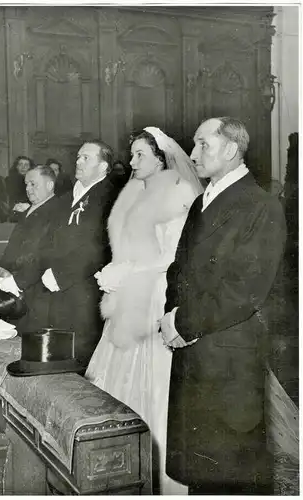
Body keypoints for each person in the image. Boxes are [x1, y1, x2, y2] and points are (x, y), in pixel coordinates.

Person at [160, 117, 287, 495]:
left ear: (231, 150)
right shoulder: (203, 200)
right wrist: (170, 316)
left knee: (232, 470)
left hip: (226, 354)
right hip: (194, 346)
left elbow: (244, 291)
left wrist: (183, 324)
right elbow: (177, 269)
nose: (193, 154)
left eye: (203, 145)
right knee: (202, 471)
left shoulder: (260, 206)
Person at [85, 127, 203, 494]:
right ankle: (114, 468)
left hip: (158, 293)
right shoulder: (136, 192)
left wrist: (130, 272)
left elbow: (175, 255)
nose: (132, 162)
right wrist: (118, 268)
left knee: (154, 384)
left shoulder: (181, 191)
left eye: (140, 155)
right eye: (132, 154)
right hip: (132, 293)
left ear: (160, 157)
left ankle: (159, 473)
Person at [21, 141, 118, 366]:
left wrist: (61, 273)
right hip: (55, 289)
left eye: (86, 158)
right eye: (77, 157)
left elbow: (99, 246)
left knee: (80, 358)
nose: (78, 162)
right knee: (58, 356)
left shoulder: (110, 196)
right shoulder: (67, 197)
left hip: (84, 290)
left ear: (103, 167)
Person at [0, 165, 61, 319]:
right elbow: (13, 246)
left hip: (35, 291)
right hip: (14, 285)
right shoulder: (29, 210)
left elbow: (45, 255)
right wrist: (2, 269)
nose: (28, 189)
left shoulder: (56, 212)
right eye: (26, 184)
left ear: (50, 185)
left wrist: (17, 280)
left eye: (33, 184)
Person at [6, 156, 34, 221]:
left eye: (26, 165)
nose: (23, 167)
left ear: (30, 167)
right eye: (20, 164)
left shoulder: (34, 182)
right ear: (16, 167)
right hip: (14, 212)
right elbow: (7, 199)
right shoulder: (9, 180)